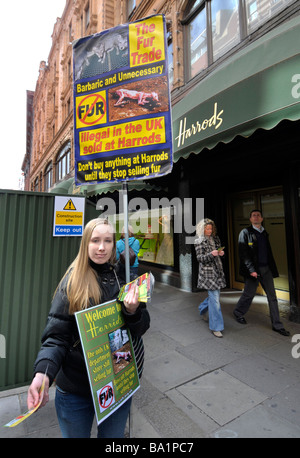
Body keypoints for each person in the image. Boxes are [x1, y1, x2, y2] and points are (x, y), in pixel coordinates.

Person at [27, 218, 150, 438]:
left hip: (118, 381)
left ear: (115, 245)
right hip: (76, 389)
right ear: (86, 244)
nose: (101, 247)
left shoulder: (124, 278)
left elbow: (141, 328)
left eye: (107, 241)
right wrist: (43, 373)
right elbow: (56, 337)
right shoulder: (72, 282)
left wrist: (133, 312)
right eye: (95, 240)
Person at [233, 209, 290, 336]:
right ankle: (238, 312)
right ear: (250, 219)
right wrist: (251, 270)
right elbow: (244, 254)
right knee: (249, 294)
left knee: (272, 296)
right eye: (254, 215)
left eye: (258, 215)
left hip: (266, 269)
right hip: (253, 270)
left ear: (262, 219)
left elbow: (268, 253)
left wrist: (271, 268)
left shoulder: (264, 232)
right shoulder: (245, 232)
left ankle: (277, 325)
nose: (256, 217)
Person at [194, 218, 226, 338]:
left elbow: (217, 252)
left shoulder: (215, 238)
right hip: (207, 273)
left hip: (218, 270)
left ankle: (202, 308)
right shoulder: (198, 241)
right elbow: (200, 258)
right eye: (207, 228)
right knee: (215, 299)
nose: (209, 230)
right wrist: (210, 254)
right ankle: (216, 327)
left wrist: (220, 253)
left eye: (211, 228)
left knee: (214, 297)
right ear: (202, 229)